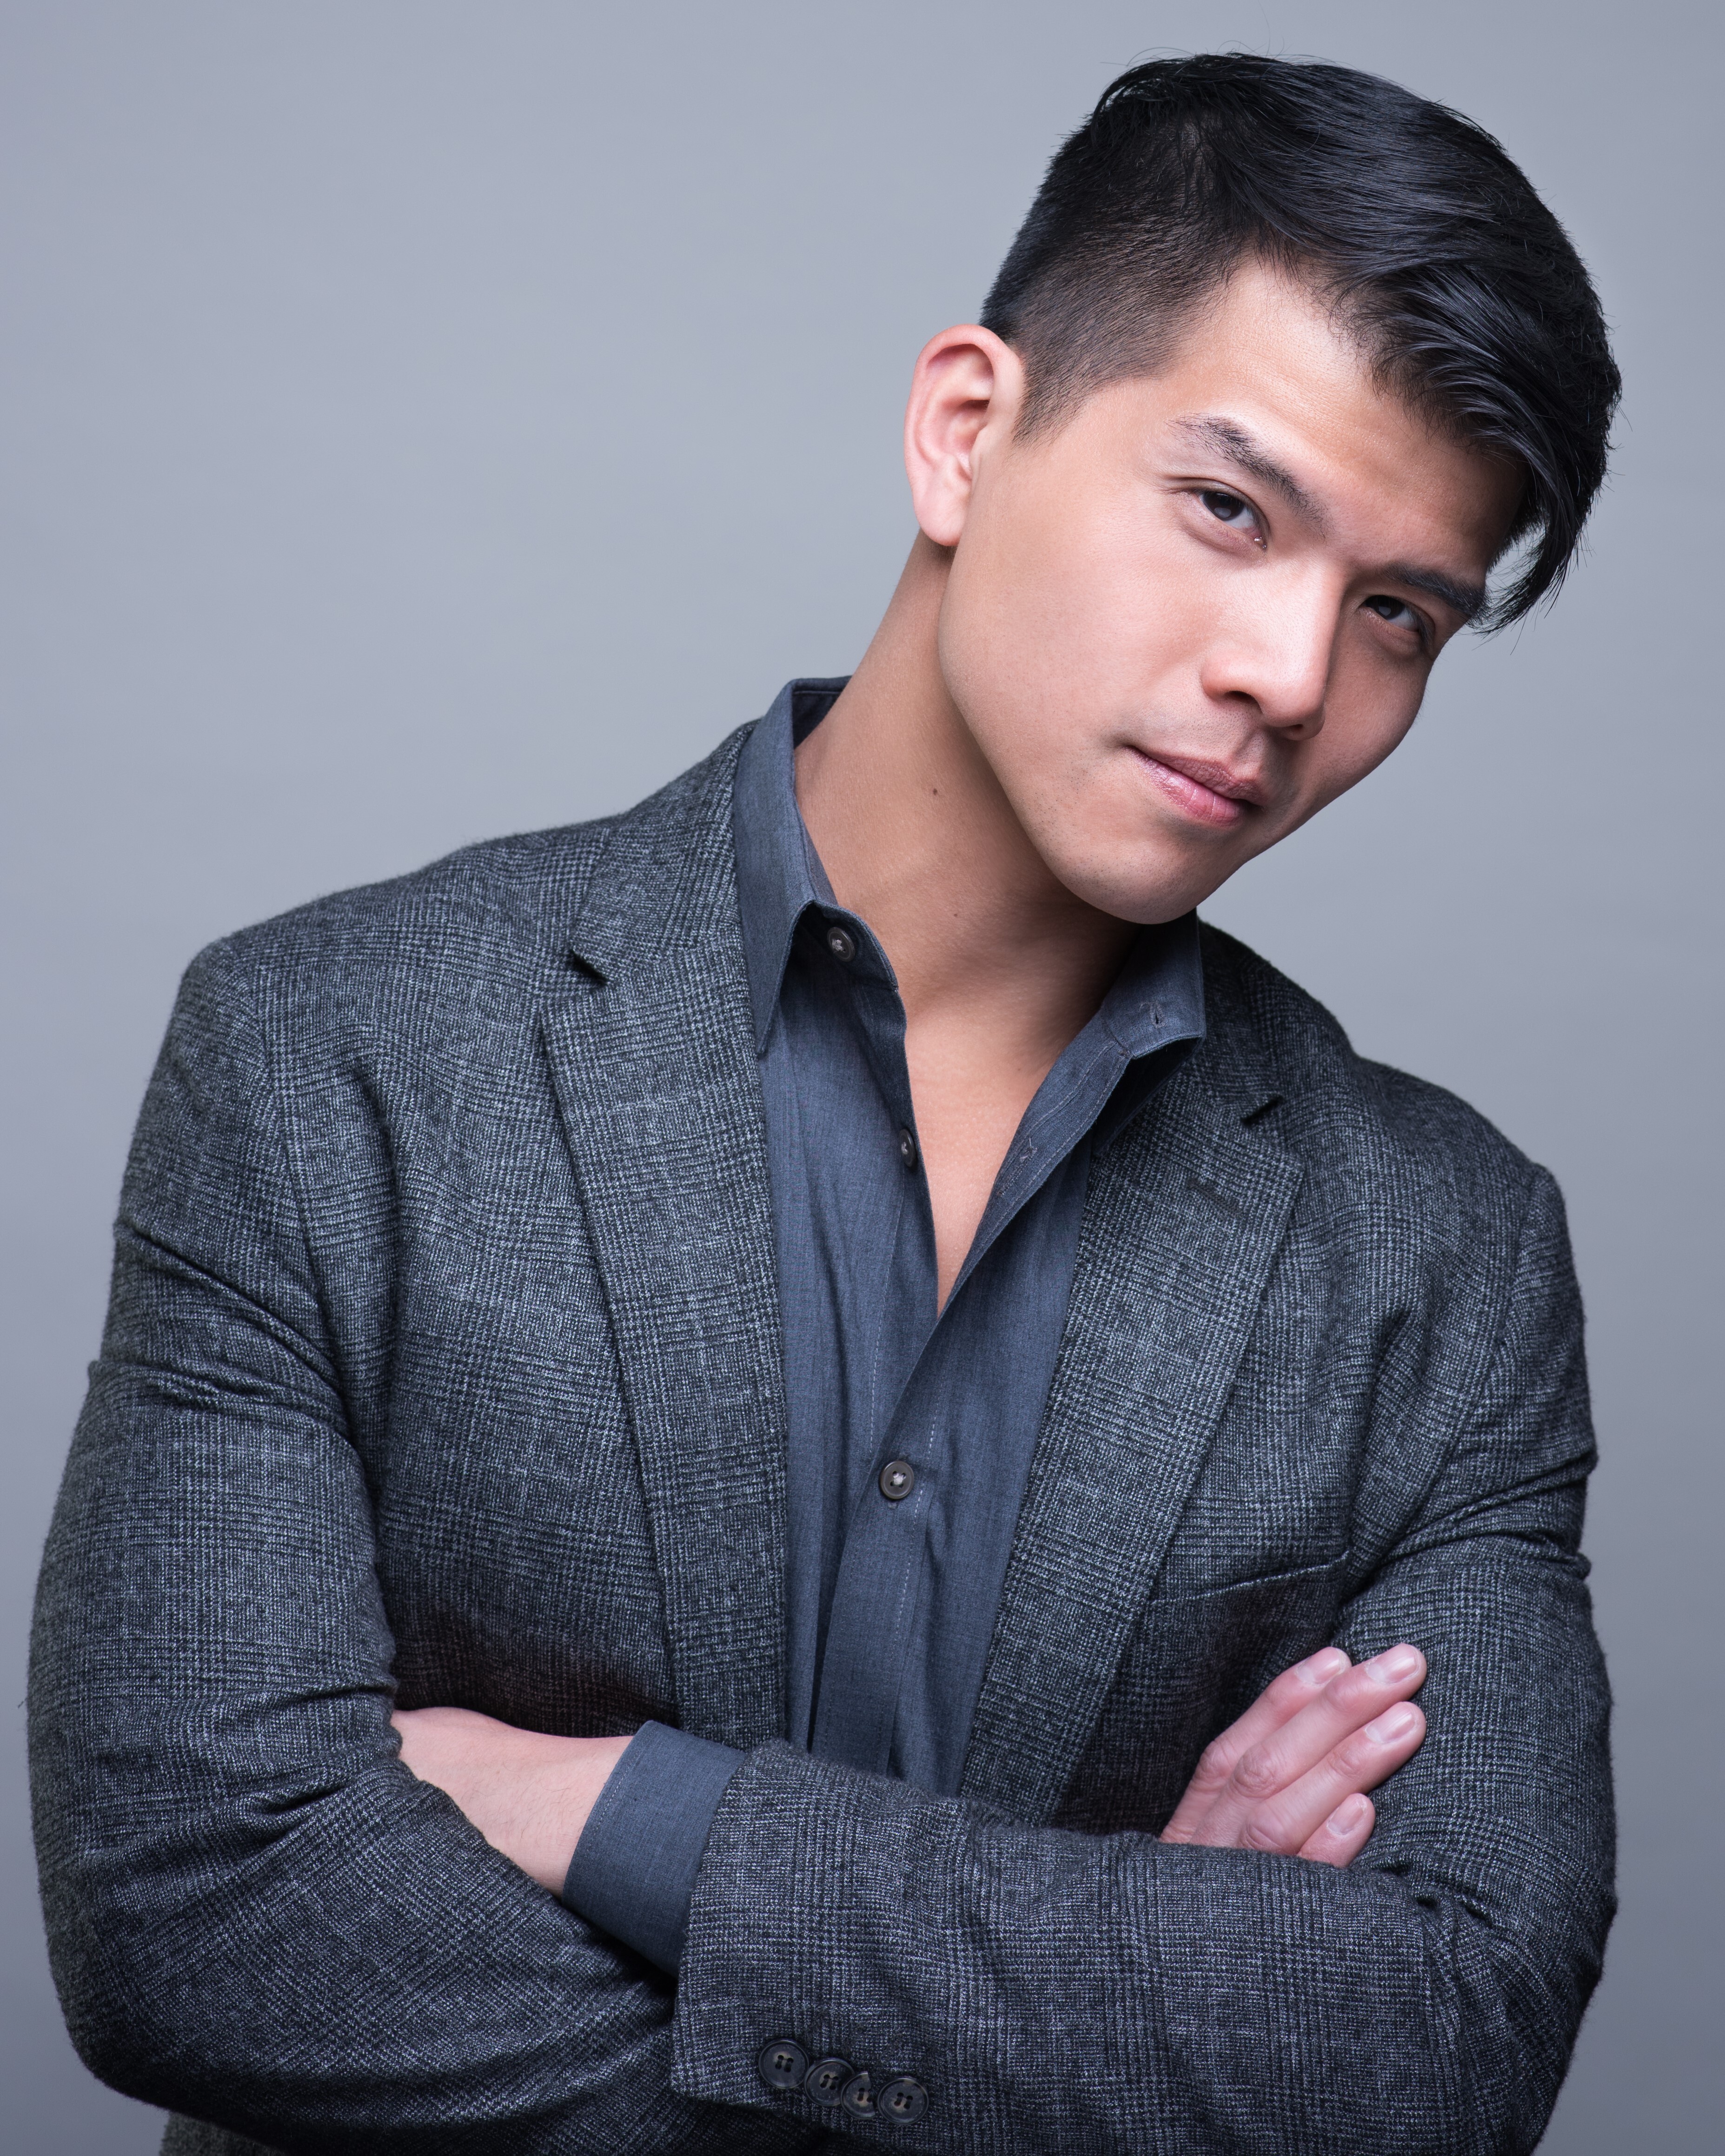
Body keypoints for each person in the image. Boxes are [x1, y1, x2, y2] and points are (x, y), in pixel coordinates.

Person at [30, 52, 1619, 2156]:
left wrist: (610, 1808)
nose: (1289, 672)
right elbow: (194, 1917)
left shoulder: (1441, 1253)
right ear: (967, 431)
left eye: (1397, 612)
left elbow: (1438, 2043)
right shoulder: (332, 1055)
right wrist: (1116, 2013)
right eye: (1230, 508)